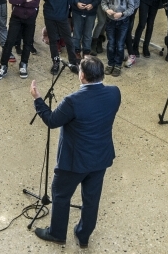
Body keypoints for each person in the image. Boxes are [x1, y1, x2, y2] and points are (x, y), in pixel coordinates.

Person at [29, 56, 121, 247]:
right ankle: (83, 235)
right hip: (100, 158)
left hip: (74, 161)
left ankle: (57, 233)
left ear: (82, 76)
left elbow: (52, 121)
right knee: (91, 198)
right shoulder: (114, 93)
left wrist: (38, 99)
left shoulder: (73, 101)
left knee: (60, 194)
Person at [42, 0, 80, 74]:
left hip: (63, 15)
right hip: (50, 15)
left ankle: (73, 62)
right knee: (53, 40)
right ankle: (55, 62)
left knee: (68, 39)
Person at [102, 0, 136, 77]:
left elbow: (131, 7)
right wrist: (107, 10)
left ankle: (117, 65)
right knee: (111, 43)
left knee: (120, 44)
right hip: (110, 21)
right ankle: (110, 63)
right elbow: (104, 3)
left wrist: (122, 14)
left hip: (123, 22)